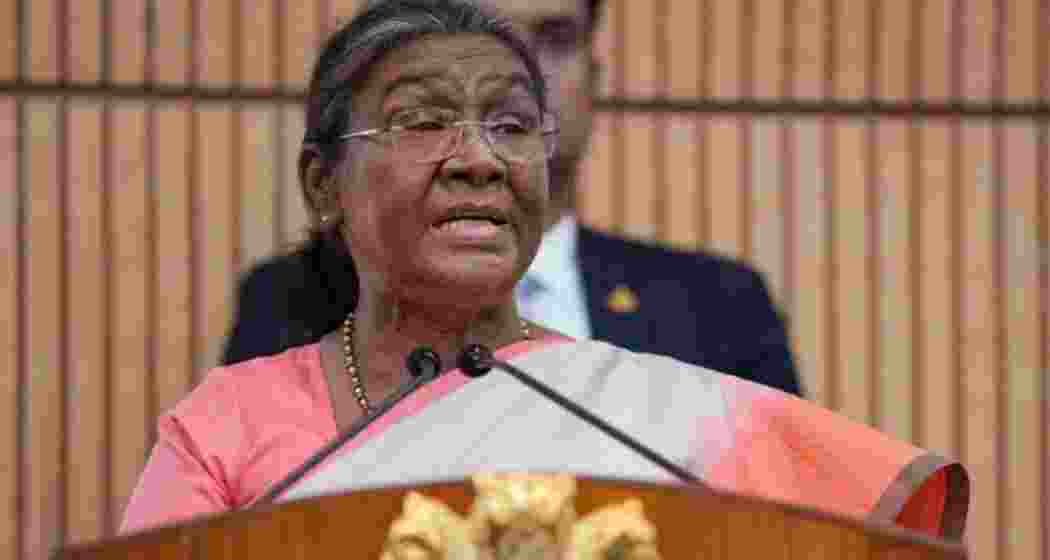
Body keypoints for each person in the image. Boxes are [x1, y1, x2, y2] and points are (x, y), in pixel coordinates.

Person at [120, 0, 967, 540]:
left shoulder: (665, 409)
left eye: (514, 126)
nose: (480, 161)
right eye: (422, 123)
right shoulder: (224, 430)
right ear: (322, 184)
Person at [221, 0, 804, 397]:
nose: (526, 70)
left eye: (554, 38)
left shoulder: (719, 305)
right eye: (490, 32)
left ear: (595, 78)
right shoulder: (292, 302)